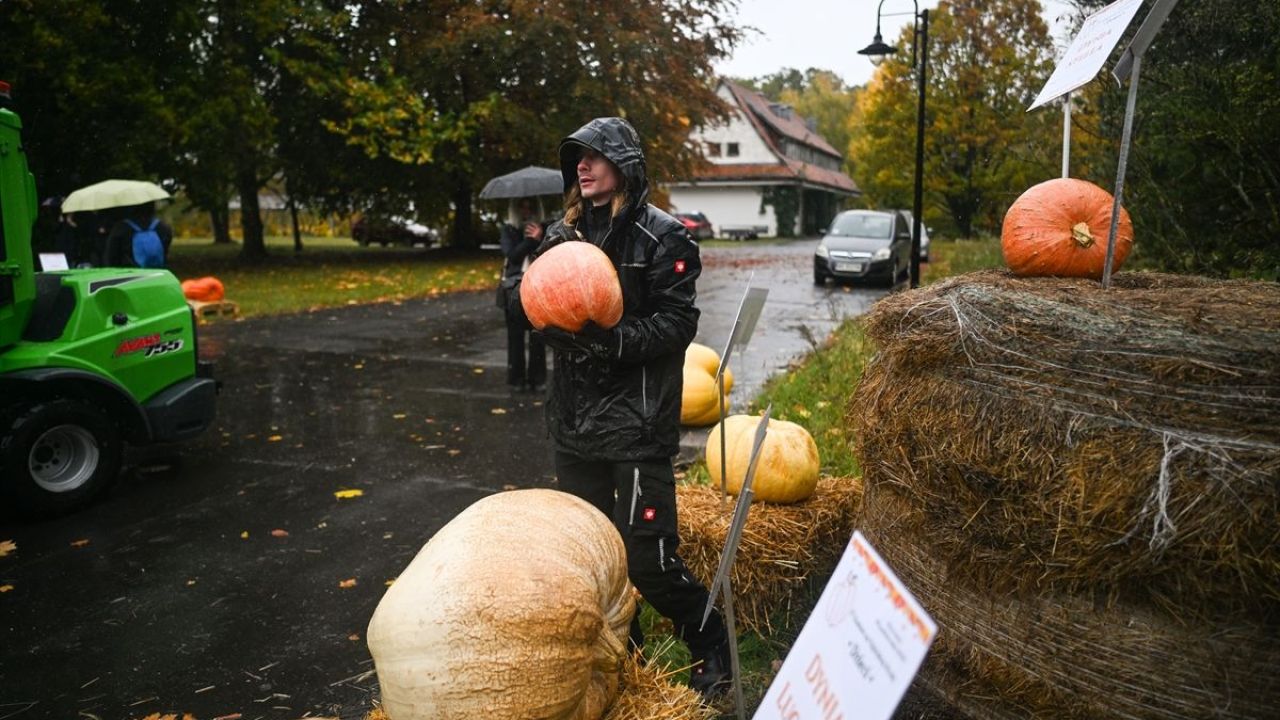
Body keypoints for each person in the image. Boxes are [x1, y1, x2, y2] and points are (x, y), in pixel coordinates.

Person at [509, 117, 731, 700]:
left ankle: (711, 642)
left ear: (624, 164)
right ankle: (624, 656)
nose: (582, 167)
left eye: (594, 156)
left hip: (637, 424)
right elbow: (533, 309)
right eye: (576, 159)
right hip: (574, 425)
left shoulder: (665, 238)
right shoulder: (562, 237)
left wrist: (610, 340)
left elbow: (677, 324)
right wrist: (519, 288)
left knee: (647, 558)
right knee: (593, 559)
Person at [498, 198, 547, 392]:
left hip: (539, 288)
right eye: (522, 206)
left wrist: (540, 238)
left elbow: (550, 255)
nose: (526, 210)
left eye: (530, 206)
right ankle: (516, 379)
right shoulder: (509, 230)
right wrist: (530, 240)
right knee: (515, 336)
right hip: (514, 290)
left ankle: (538, 379)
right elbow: (512, 256)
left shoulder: (545, 229)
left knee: (538, 336)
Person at [103, 201, 173, 268]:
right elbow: (165, 252)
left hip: (129, 272)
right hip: (157, 272)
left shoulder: (121, 228)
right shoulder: (163, 227)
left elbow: (111, 256)